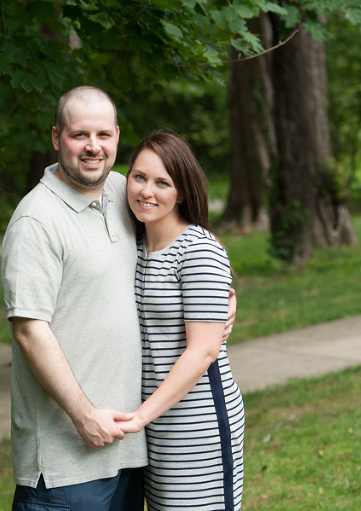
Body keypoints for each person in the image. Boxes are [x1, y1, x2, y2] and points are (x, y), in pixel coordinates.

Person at [1, 86, 236, 510]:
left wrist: (221, 306)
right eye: (79, 135)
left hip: (130, 450)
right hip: (68, 457)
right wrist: (84, 416)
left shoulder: (122, 193)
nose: (93, 147)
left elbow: (186, 255)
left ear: (116, 136)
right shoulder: (36, 220)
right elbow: (30, 333)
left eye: (104, 135)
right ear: (57, 138)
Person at [117, 131, 245, 511]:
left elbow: (203, 350)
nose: (146, 191)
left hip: (198, 422)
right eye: (139, 177)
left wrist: (140, 416)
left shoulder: (198, 249)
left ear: (183, 192)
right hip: (156, 422)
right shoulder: (135, 247)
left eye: (162, 182)